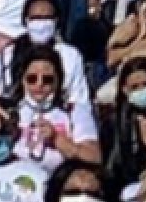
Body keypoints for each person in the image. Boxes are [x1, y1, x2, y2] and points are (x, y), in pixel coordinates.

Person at [11, 45, 101, 173]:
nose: (39, 84)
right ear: (23, 80)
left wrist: (57, 139)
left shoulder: (74, 111)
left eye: (47, 79)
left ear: (58, 81)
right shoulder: (10, 110)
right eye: (32, 78)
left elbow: (94, 157)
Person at [3, 0, 91, 106]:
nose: (41, 23)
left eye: (47, 18)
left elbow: (79, 98)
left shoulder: (71, 55)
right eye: (36, 18)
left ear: (57, 21)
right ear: (25, 21)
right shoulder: (9, 53)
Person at [101, 56, 146, 191]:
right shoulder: (114, 124)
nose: (142, 90)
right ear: (125, 90)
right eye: (135, 87)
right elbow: (110, 167)